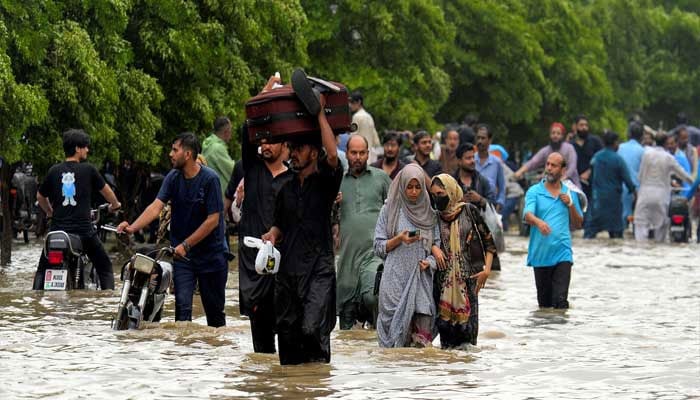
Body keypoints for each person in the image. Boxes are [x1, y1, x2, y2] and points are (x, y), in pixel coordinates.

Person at [261, 92, 343, 365]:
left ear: (313, 152)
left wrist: (319, 113)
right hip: (288, 273)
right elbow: (279, 226)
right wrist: (272, 234)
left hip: (318, 271)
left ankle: (316, 385)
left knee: (312, 330)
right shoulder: (285, 188)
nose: (292, 154)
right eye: (291, 148)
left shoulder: (326, 183)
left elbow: (333, 154)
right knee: (286, 336)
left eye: (298, 149)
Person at [117, 133, 228, 327]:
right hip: (183, 258)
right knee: (182, 310)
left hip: (211, 255)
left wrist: (186, 244)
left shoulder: (210, 180)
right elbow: (155, 207)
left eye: (174, 150)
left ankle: (213, 354)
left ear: (188, 154)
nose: (170, 154)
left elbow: (213, 220)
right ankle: (183, 353)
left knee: (214, 315)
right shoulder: (173, 177)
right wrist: (132, 227)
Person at [34, 129, 121, 290]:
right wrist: (115, 205)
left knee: (41, 271)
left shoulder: (54, 170)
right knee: (105, 267)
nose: (87, 150)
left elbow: (40, 196)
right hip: (84, 232)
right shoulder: (89, 170)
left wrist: (50, 212)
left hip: (57, 233)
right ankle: (107, 301)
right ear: (77, 148)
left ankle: (36, 303)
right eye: (85, 146)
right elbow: (107, 192)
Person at [374, 163, 441, 348]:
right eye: (409, 187)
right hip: (394, 281)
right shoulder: (389, 210)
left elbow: (438, 247)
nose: (413, 192)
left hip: (421, 279)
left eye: (417, 187)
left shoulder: (431, 214)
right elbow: (378, 247)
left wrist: (429, 262)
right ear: (401, 186)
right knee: (395, 346)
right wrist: (399, 239)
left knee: (422, 342)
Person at [429, 174, 496, 348]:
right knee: (446, 347)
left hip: (468, 283)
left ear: (450, 191)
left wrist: (487, 270)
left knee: (469, 344)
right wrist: (433, 248)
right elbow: (426, 241)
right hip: (443, 286)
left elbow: (489, 243)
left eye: (440, 193)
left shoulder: (469, 211)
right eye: (434, 194)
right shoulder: (434, 217)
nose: (437, 198)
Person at [336, 135, 391, 330]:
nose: (358, 157)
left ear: (368, 154)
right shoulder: (337, 181)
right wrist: (333, 206)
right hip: (347, 258)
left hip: (374, 254)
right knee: (346, 314)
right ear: (347, 154)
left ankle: (379, 345)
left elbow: (395, 211)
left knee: (372, 296)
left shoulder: (381, 178)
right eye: (353, 153)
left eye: (362, 153)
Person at [523, 153, 583, 309]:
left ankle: (563, 333)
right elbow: (527, 214)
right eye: (547, 164)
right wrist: (538, 222)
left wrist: (570, 205)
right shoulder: (534, 191)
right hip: (540, 255)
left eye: (554, 165)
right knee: (545, 306)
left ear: (563, 170)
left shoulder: (569, 193)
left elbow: (578, 223)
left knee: (561, 303)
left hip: (563, 253)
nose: (549, 168)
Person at [634, 133, 693, 242]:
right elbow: (683, 175)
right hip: (661, 197)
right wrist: (695, 185)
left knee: (640, 227)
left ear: (655, 141)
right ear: (666, 144)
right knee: (660, 231)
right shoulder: (669, 158)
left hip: (644, 195)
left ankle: (640, 255)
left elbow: (640, 176)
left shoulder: (646, 155)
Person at [584, 132, 636, 239]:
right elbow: (628, 181)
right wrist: (635, 192)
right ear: (615, 143)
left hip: (597, 202)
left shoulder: (596, 157)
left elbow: (589, 177)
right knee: (616, 235)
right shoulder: (618, 160)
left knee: (589, 233)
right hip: (613, 204)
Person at [514, 122, 580, 188]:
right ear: (550, 135)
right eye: (553, 133)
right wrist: (520, 172)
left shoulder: (569, 148)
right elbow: (533, 162)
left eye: (558, 133)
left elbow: (572, 167)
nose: (555, 135)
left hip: (571, 185)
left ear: (562, 136)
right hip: (551, 186)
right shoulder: (546, 150)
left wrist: (562, 178)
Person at [617, 122, 646, 227]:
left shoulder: (620, 148)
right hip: (637, 190)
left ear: (628, 134)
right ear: (642, 136)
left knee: (622, 219)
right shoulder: (643, 151)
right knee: (638, 222)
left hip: (621, 188)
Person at [452, 143, 495, 209]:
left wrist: (480, 199)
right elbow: (444, 207)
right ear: (459, 161)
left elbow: (492, 205)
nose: (472, 161)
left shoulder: (482, 181)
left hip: (479, 218)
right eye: (468, 158)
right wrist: (460, 202)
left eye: (473, 157)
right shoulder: (451, 182)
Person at [570, 115, 603, 198]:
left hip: (593, 185)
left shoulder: (595, 141)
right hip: (575, 185)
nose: (584, 128)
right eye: (581, 125)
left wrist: (589, 171)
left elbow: (601, 159)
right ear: (575, 127)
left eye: (586, 125)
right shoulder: (571, 145)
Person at [474, 124, 505, 210]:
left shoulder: (496, 162)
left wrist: (499, 204)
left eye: (483, 138)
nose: (480, 141)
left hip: (491, 207)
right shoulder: (471, 161)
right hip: (473, 207)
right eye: (478, 138)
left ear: (490, 140)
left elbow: (502, 187)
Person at [202, 117, 235, 196]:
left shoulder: (208, 144)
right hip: (219, 196)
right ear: (226, 132)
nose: (231, 134)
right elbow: (233, 170)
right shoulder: (217, 148)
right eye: (230, 131)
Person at [349, 90, 381, 163]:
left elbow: (352, 138)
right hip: (370, 157)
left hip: (358, 157)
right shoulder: (369, 117)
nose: (350, 105)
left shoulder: (356, 117)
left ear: (359, 102)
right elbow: (376, 141)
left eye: (352, 102)